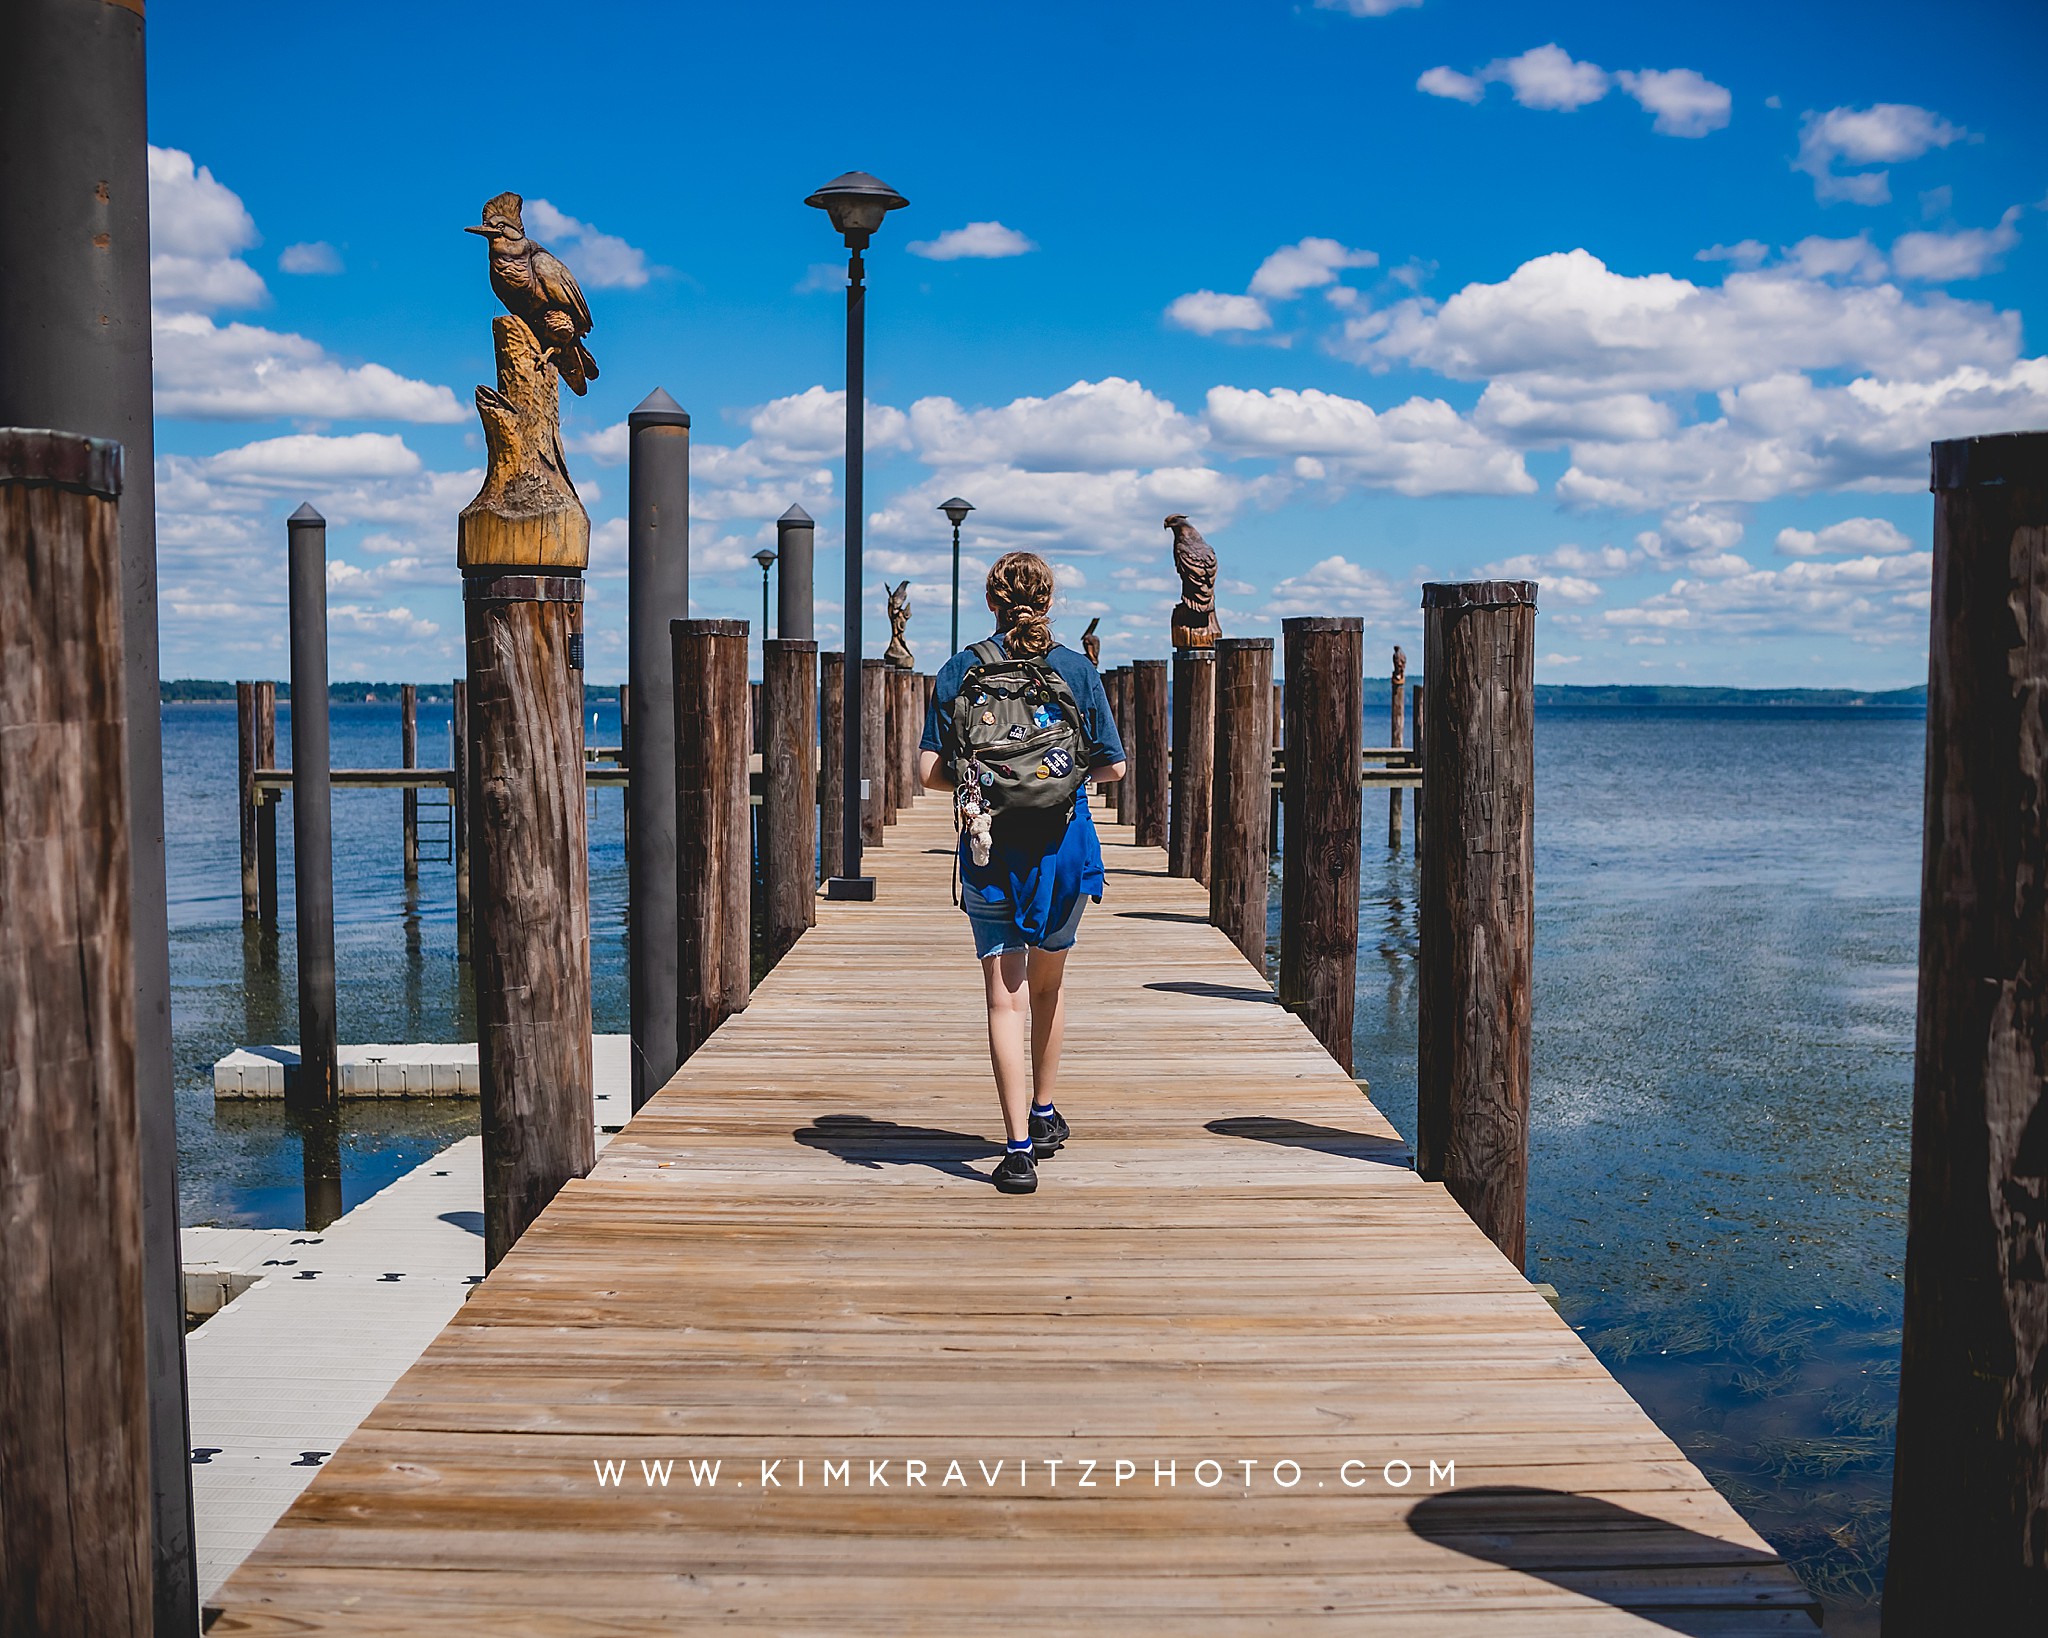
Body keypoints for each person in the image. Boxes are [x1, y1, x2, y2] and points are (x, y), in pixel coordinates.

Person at [917, 552, 1126, 1195]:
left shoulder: (961, 670)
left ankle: (1016, 1150)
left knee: (1002, 1000)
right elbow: (1113, 769)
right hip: (1063, 849)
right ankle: (1044, 1109)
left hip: (988, 851)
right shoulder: (1076, 670)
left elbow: (926, 772)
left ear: (991, 602)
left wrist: (991, 784)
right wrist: (1052, 779)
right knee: (1048, 989)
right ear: (1049, 601)